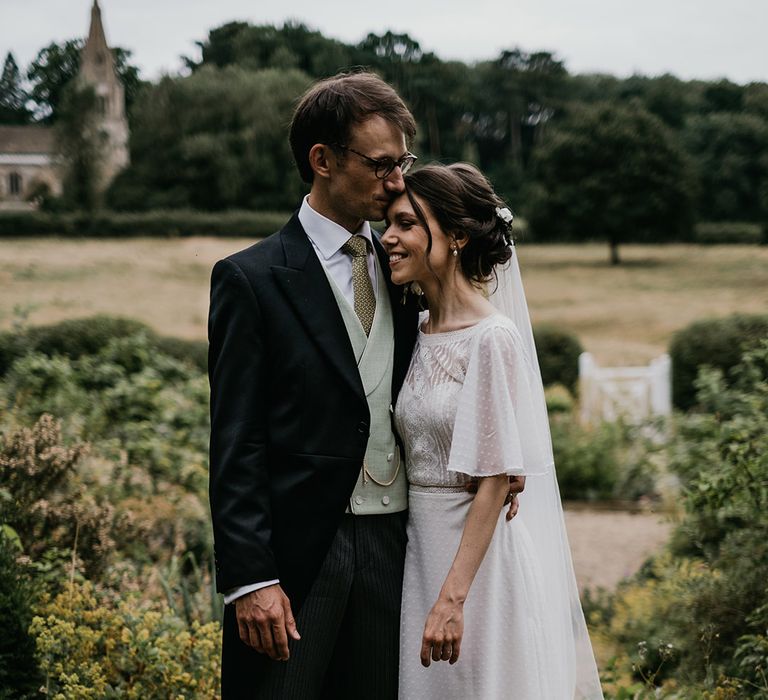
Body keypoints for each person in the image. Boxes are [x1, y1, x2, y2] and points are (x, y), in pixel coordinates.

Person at [207, 73, 522, 699]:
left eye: (402, 163)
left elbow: (461, 369)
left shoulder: (409, 267)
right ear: (322, 161)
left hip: (398, 551)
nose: (399, 181)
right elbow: (234, 440)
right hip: (299, 559)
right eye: (381, 165)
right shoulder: (251, 279)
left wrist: (501, 462)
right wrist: (250, 579)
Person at [383, 163, 604, 699]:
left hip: (475, 572)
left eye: (408, 224)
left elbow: (498, 477)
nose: (388, 237)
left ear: (457, 236)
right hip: (418, 555)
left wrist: (452, 599)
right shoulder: (414, 330)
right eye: (388, 223)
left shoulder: (491, 338)